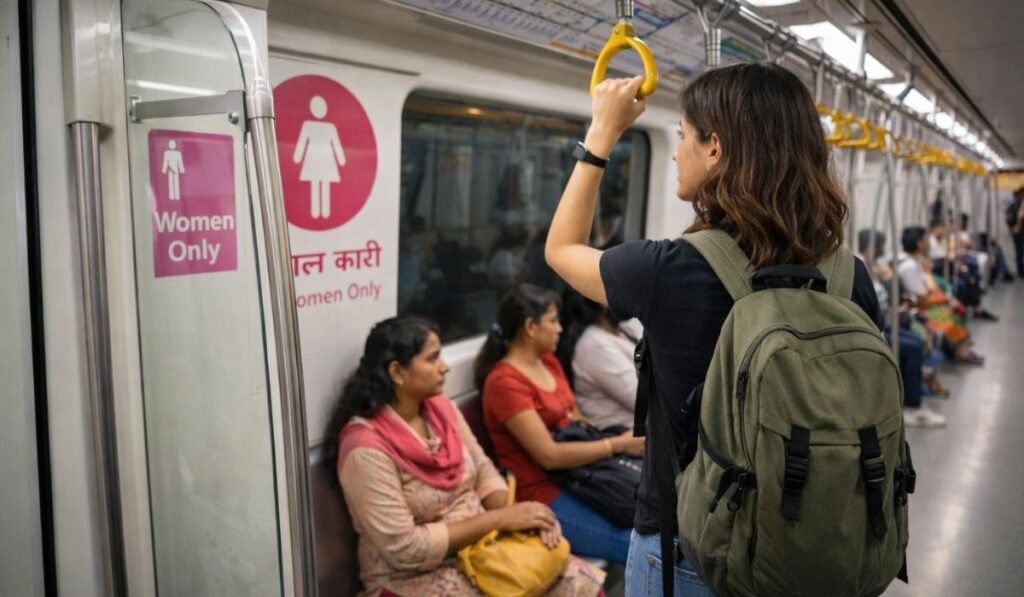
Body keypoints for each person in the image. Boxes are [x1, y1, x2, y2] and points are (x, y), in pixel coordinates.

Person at [544, 65, 883, 596]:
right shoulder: (849, 276)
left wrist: (602, 135)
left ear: (715, 149)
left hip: (688, 552)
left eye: (682, 136)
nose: (677, 151)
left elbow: (561, 249)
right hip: (816, 546)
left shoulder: (667, 270)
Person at [325, 316, 604, 596]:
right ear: (397, 372)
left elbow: (483, 471)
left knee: (577, 582)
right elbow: (405, 549)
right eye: (432, 359)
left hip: (483, 548)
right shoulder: (365, 449)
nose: (444, 367)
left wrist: (523, 516)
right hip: (413, 574)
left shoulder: (441, 410)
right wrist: (501, 519)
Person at [475, 284, 644, 565]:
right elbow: (549, 456)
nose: (560, 329)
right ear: (530, 327)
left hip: (583, 473)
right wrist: (618, 445)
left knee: (656, 520)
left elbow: (578, 418)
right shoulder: (504, 383)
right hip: (544, 491)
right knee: (640, 546)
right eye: (552, 321)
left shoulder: (549, 362)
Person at [858, 229, 946, 428]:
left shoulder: (876, 267)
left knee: (914, 341)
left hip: (884, 320)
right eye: (880, 246)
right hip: (872, 327)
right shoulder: (863, 268)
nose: (882, 251)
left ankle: (916, 391)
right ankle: (912, 406)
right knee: (913, 346)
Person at [556, 288, 641, 430]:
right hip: (627, 439)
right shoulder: (594, 345)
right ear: (601, 303)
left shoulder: (623, 328)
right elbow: (643, 400)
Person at [897, 226, 983, 365]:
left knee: (953, 310)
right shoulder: (909, 266)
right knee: (948, 315)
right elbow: (922, 296)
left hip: (925, 301)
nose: (927, 243)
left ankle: (960, 347)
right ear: (919, 244)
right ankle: (959, 350)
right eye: (925, 240)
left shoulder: (916, 261)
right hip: (920, 307)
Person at [1008, 187, 1024, 277]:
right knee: (1019, 252)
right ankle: (1020, 271)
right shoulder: (1014, 205)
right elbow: (1009, 219)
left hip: (1020, 231)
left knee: (1020, 251)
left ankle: (1021, 270)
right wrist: (1013, 228)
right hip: (1018, 232)